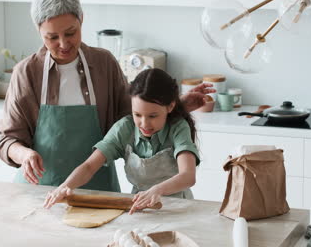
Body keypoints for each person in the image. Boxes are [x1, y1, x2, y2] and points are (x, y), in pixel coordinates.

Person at [0, 0, 214, 192]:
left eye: (71, 33)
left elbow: (132, 121)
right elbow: (7, 141)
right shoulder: (26, 72)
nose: (63, 44)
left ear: (81, 19)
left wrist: (177, 106)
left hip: (98, 188)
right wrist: (24, 154)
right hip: (40, 189)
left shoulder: (104, 63)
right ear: (39, 30)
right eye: (52, 37)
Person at [44, 69, 200, 214]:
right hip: (138, 207)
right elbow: (90, 166)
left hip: (177, 208)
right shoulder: (124, 128)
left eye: (153, 116)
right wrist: (65, 187)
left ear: (170, 106)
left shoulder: (178, 128)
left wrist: (156, 190)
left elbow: (188, 176)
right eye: (137, 114)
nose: (144, 124)